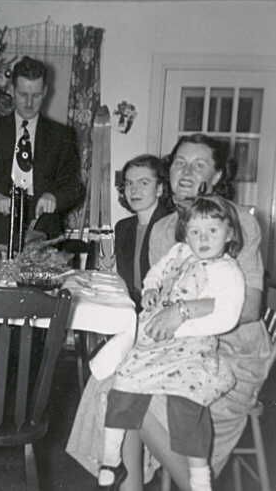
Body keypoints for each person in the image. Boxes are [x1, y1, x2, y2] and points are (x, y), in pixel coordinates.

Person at [66, 133, 273, 491]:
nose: (187, 172)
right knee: (113, 380)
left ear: (220, 175)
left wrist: (182, 312)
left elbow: (250, 308)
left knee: (131, 391)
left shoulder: (236, 222)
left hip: (231, 354)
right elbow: (158, 295)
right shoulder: (163, 230)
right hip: (175, 350)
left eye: (199, 164)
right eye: (179, 163)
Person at [95, 196, 245, 491]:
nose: (202, 239)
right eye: (195, 231)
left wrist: (181, 325)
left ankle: (200, 478)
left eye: (212, 231)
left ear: (229, 234)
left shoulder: (228, 272)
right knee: (124, 382)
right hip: (156, 342)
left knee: (185, 404)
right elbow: (156, 273)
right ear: (185, 233)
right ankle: (111, 459)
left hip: (192, 347)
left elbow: (226, 319)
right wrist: (150, 290)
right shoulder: (179, 252)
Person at [0, 55, 84, 251]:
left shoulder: (62, 135)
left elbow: (74, 187)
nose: (29, 103)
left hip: (44, 236)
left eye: (35, 95)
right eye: (22, 94)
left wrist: (54, 197)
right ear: (11, 90)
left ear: (45, 92)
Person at [114, 154, 171, 307]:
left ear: (159, 189)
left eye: (144, 183)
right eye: (129, 183)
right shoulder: (122, 227)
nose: (134, 190)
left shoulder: (171, 227)